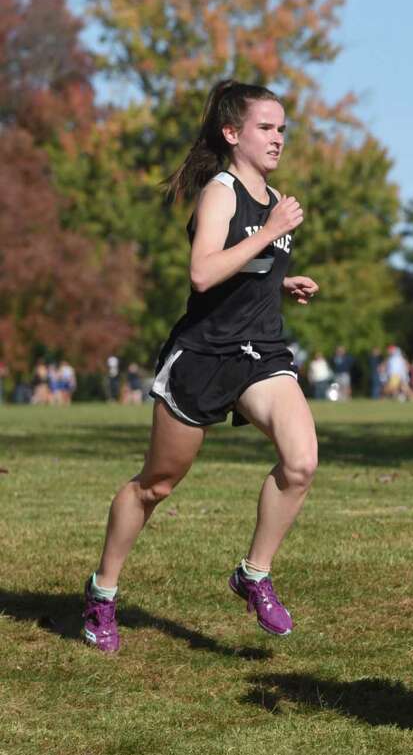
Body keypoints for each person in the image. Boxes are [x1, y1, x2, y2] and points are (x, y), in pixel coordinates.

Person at [81, 80, 318, 653]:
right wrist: (271, 233)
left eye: (282, 128)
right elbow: (203, 273)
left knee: (301, 462)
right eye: (266, 127)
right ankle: (101, 595)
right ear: (231, 134)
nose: (277, 138)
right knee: (156, 485)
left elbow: (243, 271)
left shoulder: (273, 198)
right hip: (204, 357)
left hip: (259, 353)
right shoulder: (222, 192)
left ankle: (254, 575)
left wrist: (280, 282)